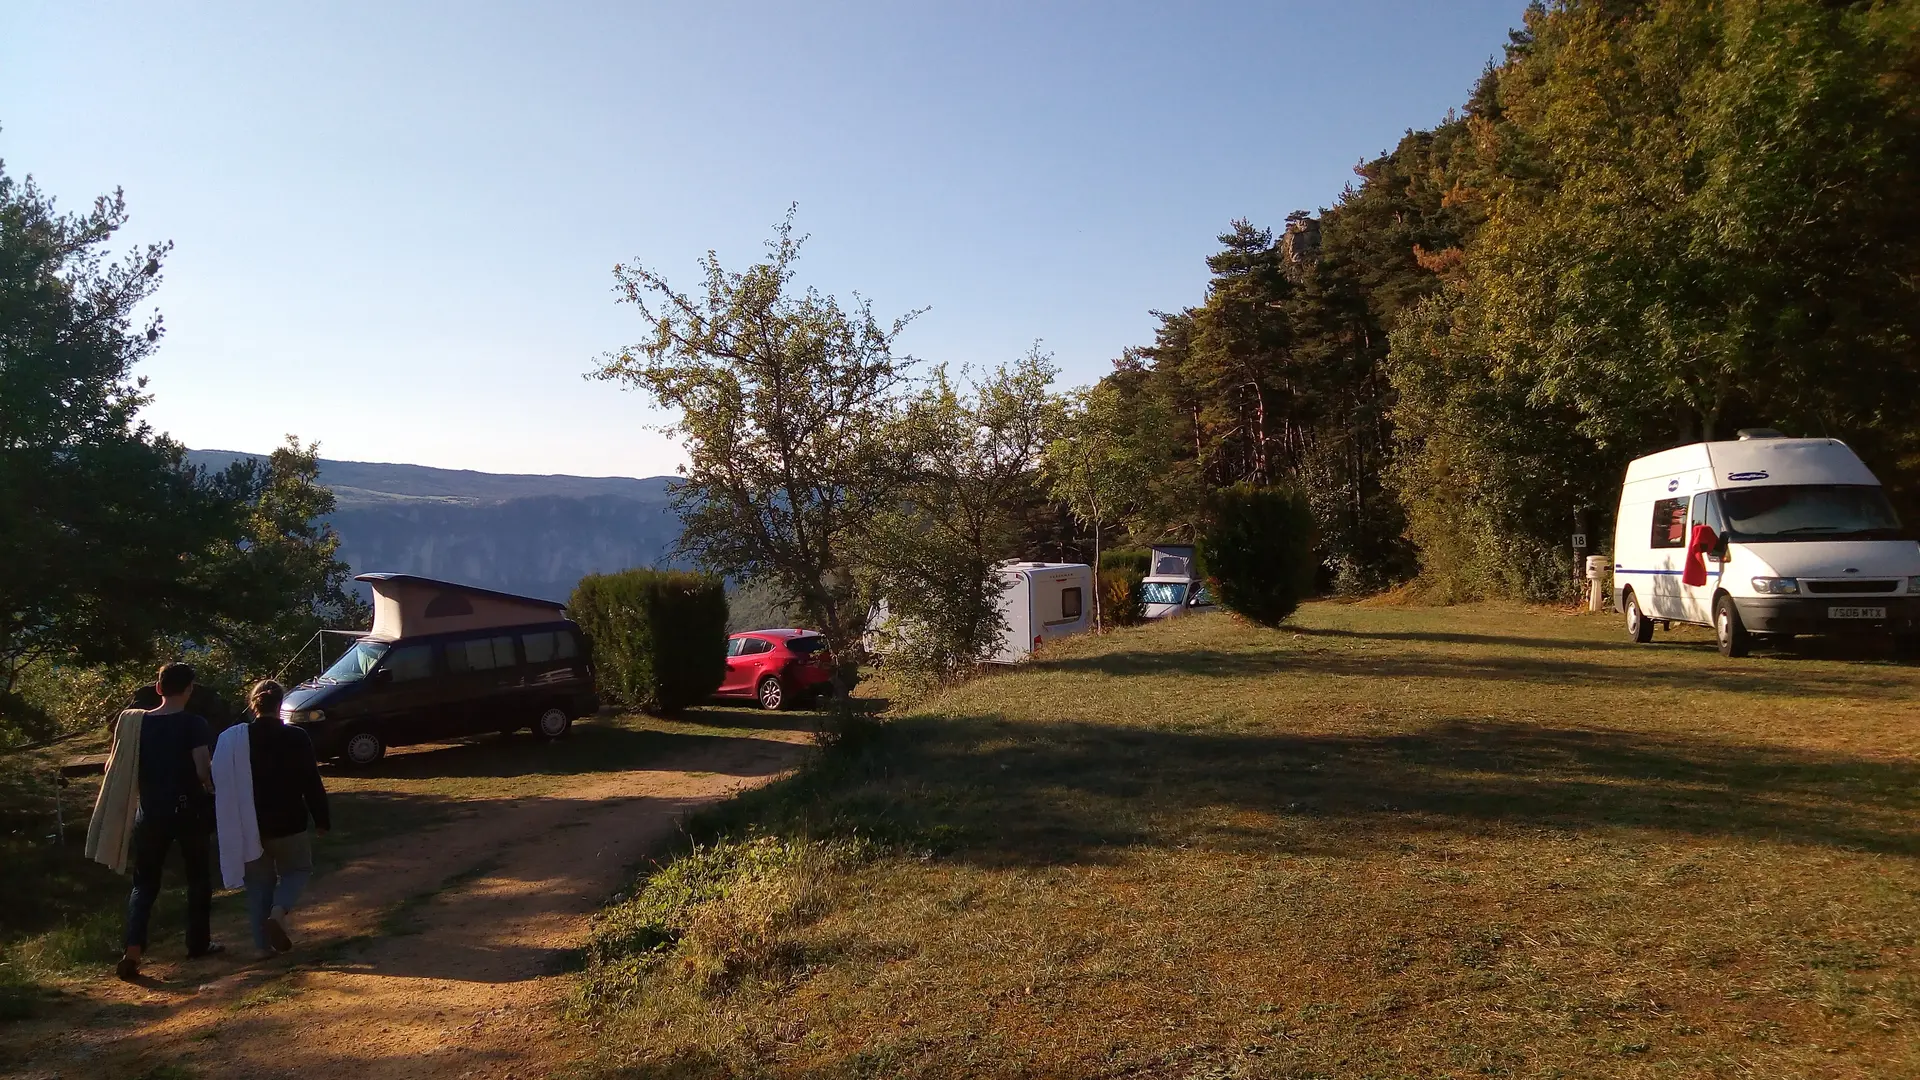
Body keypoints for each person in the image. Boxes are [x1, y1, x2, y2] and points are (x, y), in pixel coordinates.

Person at [117, 662, 221, 981]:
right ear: (189, 690)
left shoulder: (138, 724)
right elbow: (203, 770)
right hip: (188, 810)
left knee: (144, 883)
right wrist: (212, 787)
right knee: (198, 878)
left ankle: (133, 950)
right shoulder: (194, 724)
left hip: (149, 813)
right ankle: (197, 943)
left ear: (158, 688)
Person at [239, 680, 330, 956]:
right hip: (289, 820)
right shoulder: (296, 737)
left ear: (253, 704)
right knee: (298, 870)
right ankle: (278, 913)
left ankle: (260, 947)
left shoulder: (237, 739)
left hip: (251, 822)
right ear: (281, 705)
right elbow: (310, 781)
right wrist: (321, 818)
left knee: (258, 883)